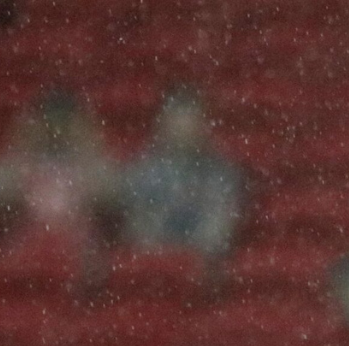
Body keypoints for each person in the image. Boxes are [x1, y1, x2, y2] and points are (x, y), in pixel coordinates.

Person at [0, 89, 119, 285]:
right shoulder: (19, 163)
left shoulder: (93, 164)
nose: (57, 130)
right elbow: (6, 190)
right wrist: (24, 149)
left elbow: (110, 195)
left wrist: (86, 148)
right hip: (21, 251)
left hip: (81, 256)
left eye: (65, 123)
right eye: (49, 122)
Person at [122, 87, 241, 279]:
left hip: (200, 275)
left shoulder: (222, 174)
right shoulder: (142, 172)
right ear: (162, 124)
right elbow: (138, 229)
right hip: (151, 273)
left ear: (203, 125)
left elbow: (218, 233)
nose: (183, 130)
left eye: (189, 121)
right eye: (177, 121)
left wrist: (188, 260)